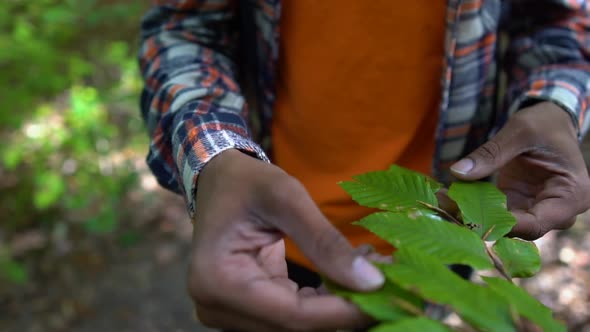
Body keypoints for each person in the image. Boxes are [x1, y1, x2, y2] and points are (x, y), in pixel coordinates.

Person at [138, 1, 590, 331]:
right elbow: (187, 25)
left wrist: (553, 102)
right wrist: (214, 156)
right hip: (268, 235)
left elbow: (557, 20)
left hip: (451, 231)